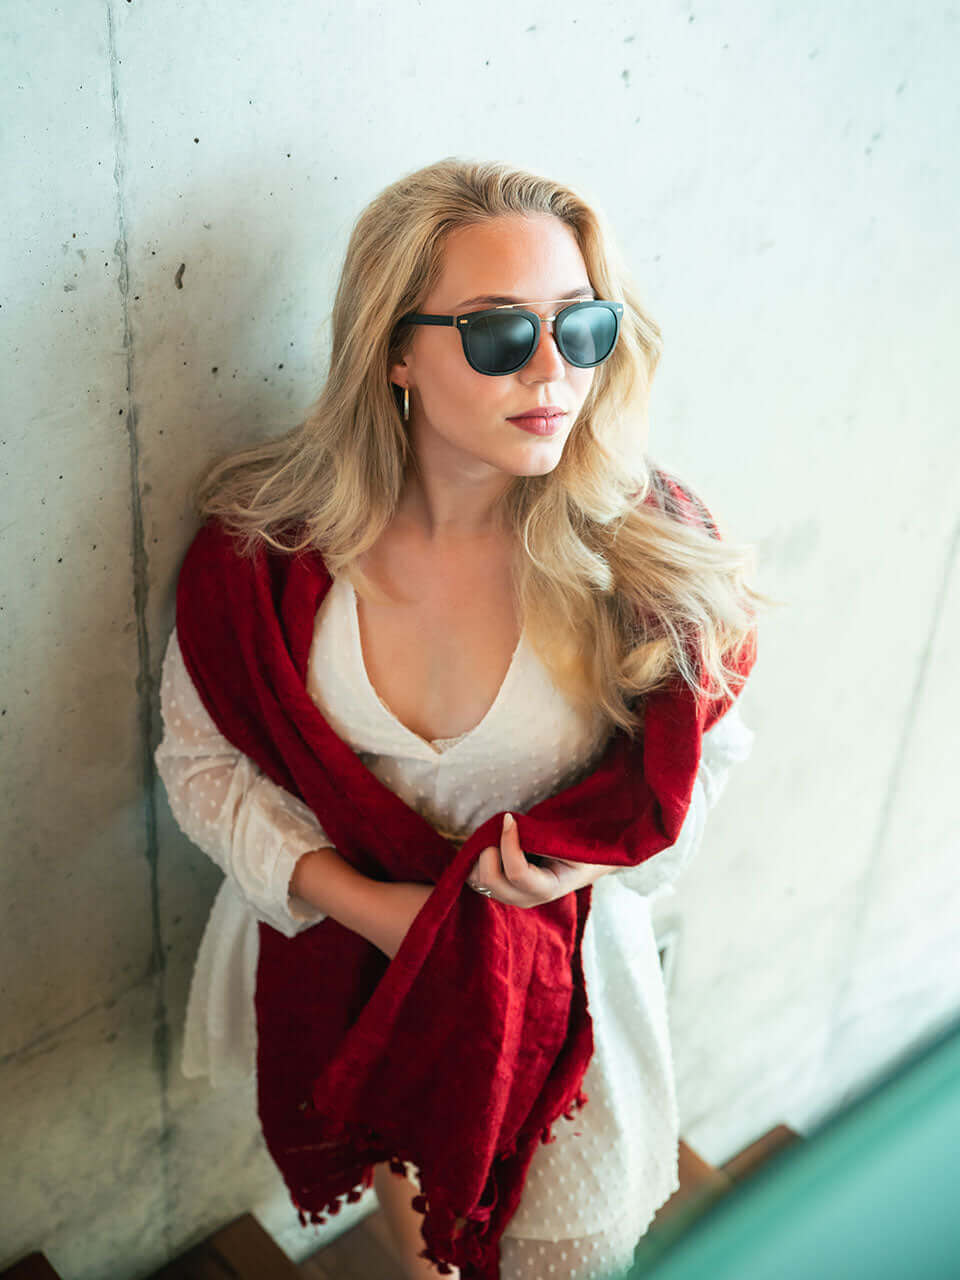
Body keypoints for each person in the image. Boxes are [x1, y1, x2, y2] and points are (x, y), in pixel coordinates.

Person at [155, 157, 765, 1280]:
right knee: (406, 1195)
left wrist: (582, 870)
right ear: (396, 350)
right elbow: (201, 766)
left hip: (552, 983)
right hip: (339, 962)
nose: (552, 370)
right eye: (496, 335)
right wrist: (373, 910)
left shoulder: (641, 556)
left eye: (581, 327)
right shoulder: (267, 562)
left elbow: (704, 758)